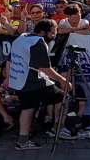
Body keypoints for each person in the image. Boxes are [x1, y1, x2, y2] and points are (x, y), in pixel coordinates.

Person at [7, 19, 72, 151]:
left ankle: (23, 140)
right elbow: (45, 68)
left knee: (28, 108)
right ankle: (58, 129)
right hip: (32, 82)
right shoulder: (38, 42)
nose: (54, 36)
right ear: (43, 32)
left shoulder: (22, 37)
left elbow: (9, 60)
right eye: (53, 33)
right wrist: (63, 81)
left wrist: (9, 78)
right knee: (63, 96)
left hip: (19, 80)